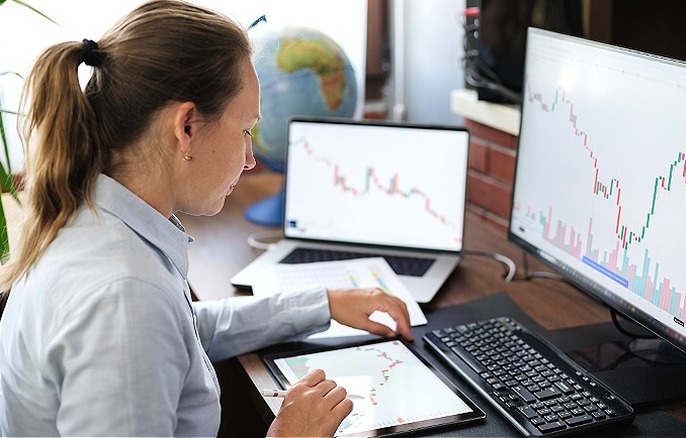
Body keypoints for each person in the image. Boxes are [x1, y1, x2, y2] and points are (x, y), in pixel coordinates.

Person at [0, 0, 413, 436]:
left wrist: (323, 304)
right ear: (187, 127)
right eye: (244, 130)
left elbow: (183, 333)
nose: (251, 158)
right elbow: (148, 326)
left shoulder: (96, 224)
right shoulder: (125, 297)